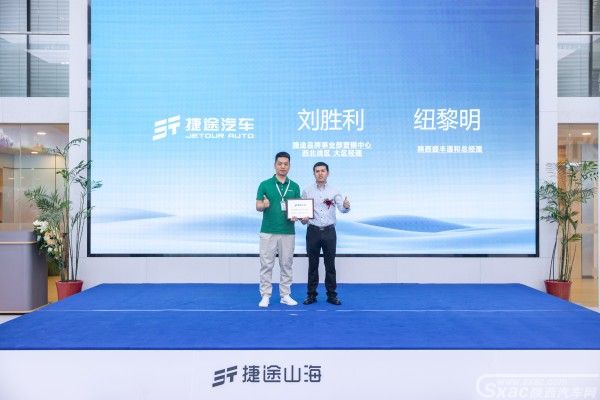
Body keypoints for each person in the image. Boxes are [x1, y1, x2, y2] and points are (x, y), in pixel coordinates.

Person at [255, 151, 301, 308]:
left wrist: (297, 216)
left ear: (289, 166)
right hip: (268, 231)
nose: (283, 166)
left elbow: (298, 209)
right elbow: (258, 206)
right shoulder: (265, 184)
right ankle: (265, 295)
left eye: (286, 164)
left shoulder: (294, 186)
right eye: (280, 164)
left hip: (288, 231)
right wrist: (264, 205)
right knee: (266, 264)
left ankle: (285, 295)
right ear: (274, 165)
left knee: (286, 264)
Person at [301, 161, 350, 305]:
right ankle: (311, 295)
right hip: (313, 231)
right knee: (312, 265)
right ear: (314, 173)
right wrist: (303, 219)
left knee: (330, 265)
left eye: (323, 171)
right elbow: (303, 214)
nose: (320, 173)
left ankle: (332, 295)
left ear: (328, 173)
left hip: (329, 232)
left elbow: (342, 209)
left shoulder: (334, 191)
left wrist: (346, 206)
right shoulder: (307, 191)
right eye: (317, 171)